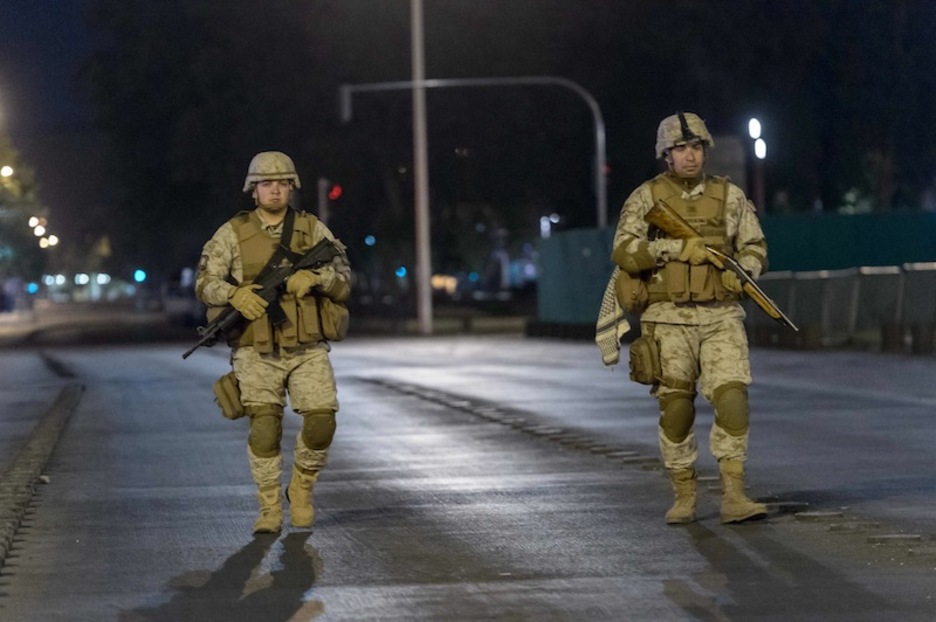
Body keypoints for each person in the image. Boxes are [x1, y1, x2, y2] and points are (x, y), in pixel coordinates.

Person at [611, 112, 768, 525]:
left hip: (721, 315)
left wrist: (744, 274)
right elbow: (624, 251)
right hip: (667, 318)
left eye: (696, 148)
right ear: (666, 155)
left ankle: (734, 494)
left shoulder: (730, 196)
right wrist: (673, 251)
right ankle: (684, 494)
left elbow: (754, 246)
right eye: (680, 149)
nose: (690, 156)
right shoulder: (646, 198)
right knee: (677, 408)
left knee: (732, 398)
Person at [195, 151, 351, 534]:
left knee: (321, 422)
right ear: (254, 190)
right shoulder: (232, 233)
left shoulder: (312, 230)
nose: (275, 190)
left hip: (307, 347)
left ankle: (301, 488)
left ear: (292, 188)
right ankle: (268, 507)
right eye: (267, 184)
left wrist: (316, 280)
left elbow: (344, 279)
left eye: (282, 183)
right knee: (264, 428)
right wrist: (233, 295)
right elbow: (204, 283)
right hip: (255, 349)